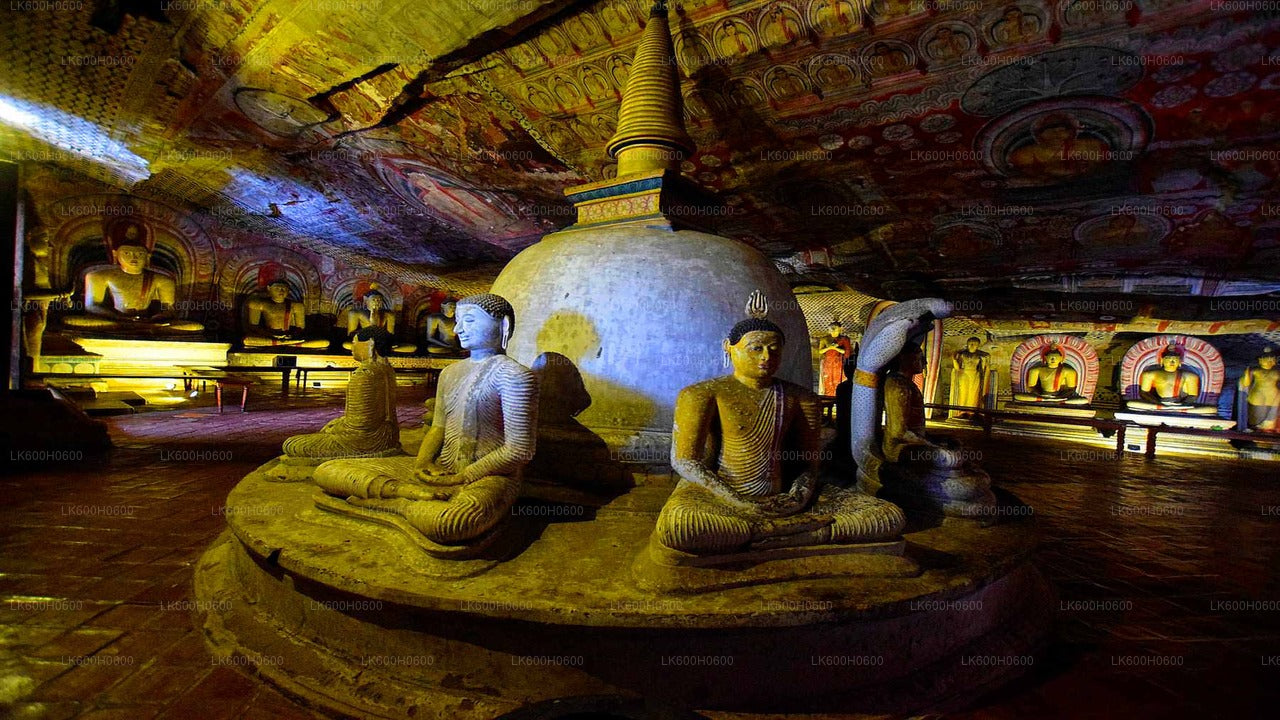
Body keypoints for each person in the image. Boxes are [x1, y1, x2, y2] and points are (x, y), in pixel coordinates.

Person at [654, 313, 905, 555]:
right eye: (756, 348)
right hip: (720, 495)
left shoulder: (801, 398)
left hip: (784, 497)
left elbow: (807, 462)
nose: (766, 356)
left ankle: (771, 534)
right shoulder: (702, 394)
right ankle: (794, 533)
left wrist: (799, 496)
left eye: (774, 349)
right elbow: (685, 460)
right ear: (728, 347)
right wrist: (737, 500)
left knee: (886, 515)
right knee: (681, 527)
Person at [314, 294, 538, 550]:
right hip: (440, 470)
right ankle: (408, 494)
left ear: (504, 326)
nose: (458, 329)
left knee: (451, 523)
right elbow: (439, 427)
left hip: (488, 477)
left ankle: (397, 503)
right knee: (328, 470)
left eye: (469, 320)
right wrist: (422, 464)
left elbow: (520, 449)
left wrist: (464, 476)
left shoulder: (516, 376)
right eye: (457, 321)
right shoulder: (450, 373)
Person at [63, 218, 203, 334]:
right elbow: (92, 306)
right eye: (127, 253)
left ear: (148, 257)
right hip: (114, 321)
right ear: (115, 254)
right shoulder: (97, 276)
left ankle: (142, 327)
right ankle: (136, 328)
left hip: (148, 322)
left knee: (194, 327)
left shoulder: (163, 280)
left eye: (140, 254)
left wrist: (156, 318)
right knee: (71, 321)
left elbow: (169, 309)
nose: (134, 258)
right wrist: (119, 317)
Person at [1128, 346, 1218, 414]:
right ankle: (1165, 409)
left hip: (1180, 405)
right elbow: (1144, 393)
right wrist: (1159, 404)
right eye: (1169, 359)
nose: (1172, 362)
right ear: (1162, 360)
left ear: (1180, 362)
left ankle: (1175, 409)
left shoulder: (1190, 376)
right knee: (1131, 404)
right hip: (1159, 403)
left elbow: (1193, 395)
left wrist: (1182, 405)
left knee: (1212, 409)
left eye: (1175, 359)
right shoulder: (1150, 374)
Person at [243, 281, 328, 348]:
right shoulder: (258, 304)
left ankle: (287, 343)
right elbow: (253, 326)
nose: (281, 291)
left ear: (288, 291)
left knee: (325, 343)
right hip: (268, 337)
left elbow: (300, 328)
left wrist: (291, 335)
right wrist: (270, 335)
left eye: (284, 289)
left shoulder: (297, 306)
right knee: (247, 340)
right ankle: (285, 343)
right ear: (269, 288)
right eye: (277, 288)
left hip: (289, 337)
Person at [343, 286, 416, 354]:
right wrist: (368, 333)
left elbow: (391, 334)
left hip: (382, 342)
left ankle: (382, 349)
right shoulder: (355, 313)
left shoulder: (389, 314)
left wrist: (382, 338)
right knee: (346, 345)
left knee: (413, 347)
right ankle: (376, 349)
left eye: (379, 300)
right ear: (366, 301)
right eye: (373, 300)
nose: (376, 302)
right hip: (364, 342)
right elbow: (351, 334)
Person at [1013, 346, 1090, 404]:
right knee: (1018, 396)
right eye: (1051, 357)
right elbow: (1031, 387)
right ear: (1045, 357)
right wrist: (1042, 396)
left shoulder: (1068, 371)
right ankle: (1046, 400)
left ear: (1061, 358)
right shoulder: (1036, 370)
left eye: (1055, 357)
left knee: (1084, 400)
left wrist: (1059, 397)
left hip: (1059, 397)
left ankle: (1056, 400)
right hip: (1042, 396)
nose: (1053, 359)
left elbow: (1070, 389)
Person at [1238, 347, 1280, 432]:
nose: (1269, 362)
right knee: (1256, 417)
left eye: (1271, 360)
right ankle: (1254, 429)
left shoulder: (1277, 371)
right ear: (1260, 360)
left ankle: (1268, 431)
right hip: (1258, 395)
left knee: (1271, 420)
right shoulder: (1255, 370)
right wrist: (1247, 373)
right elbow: (1245, 384)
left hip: (1274, 396)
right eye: (1266, 360)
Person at [949, 337, 989, 417]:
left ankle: (972, 413)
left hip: (975, 375)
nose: (972, 346)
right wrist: (954, 359)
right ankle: (962, 412)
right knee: (963, 393)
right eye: (970, 344)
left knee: (974, 394)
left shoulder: (982, 356)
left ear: (978, 346)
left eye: (975, 344)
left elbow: (985, 369)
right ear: (967, 344)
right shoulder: (962, 354)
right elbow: (957, 368)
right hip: (964, 375)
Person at [817, 320, 853, 396]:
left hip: (839, 362)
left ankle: (839, 397)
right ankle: (829, 397)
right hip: (828, 363)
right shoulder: (824, 339)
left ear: (840, 329)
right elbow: (820, 351)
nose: (833, 332)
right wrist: (829, 347)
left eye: (835, 330)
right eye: (831, 330)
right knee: (828, 380)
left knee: (838, 380)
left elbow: (846, 352)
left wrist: (836, 348)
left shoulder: (844, 339)